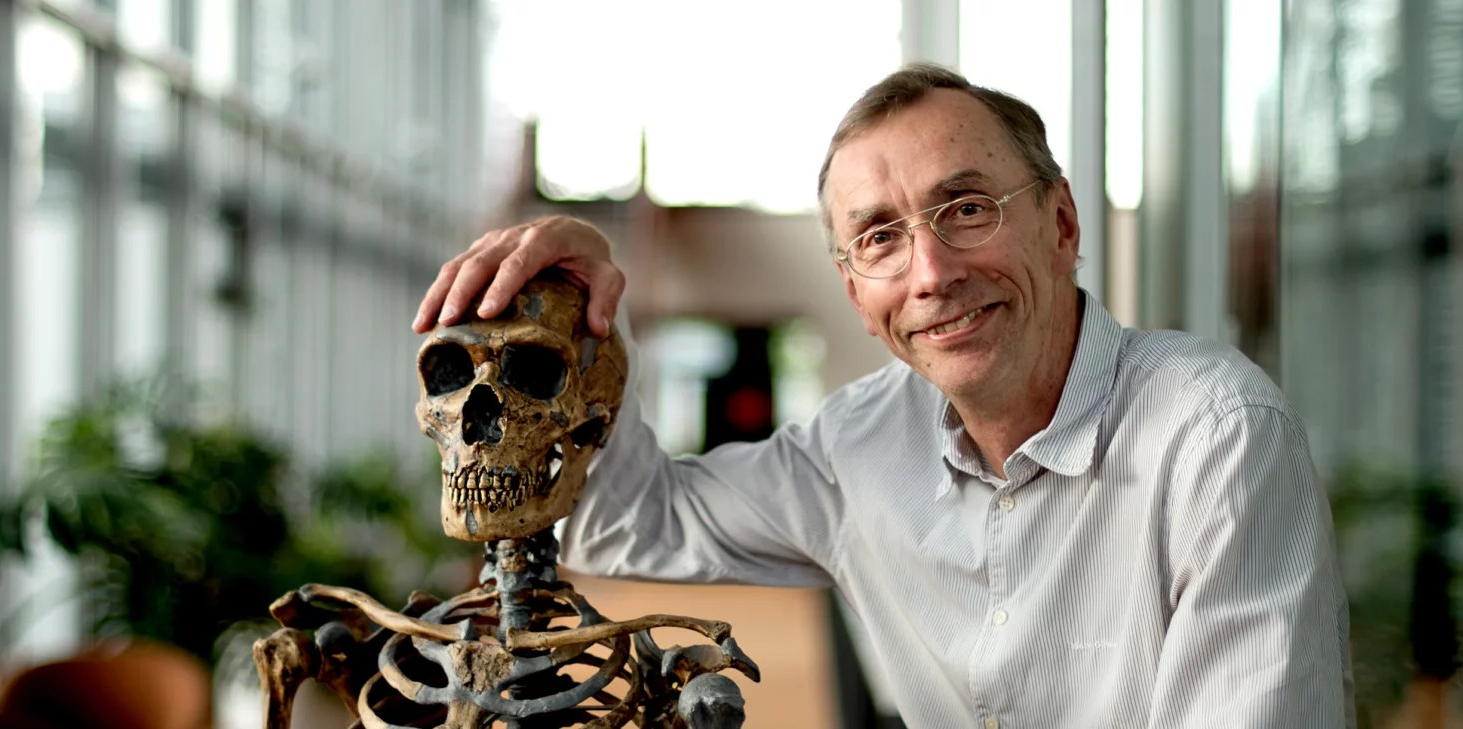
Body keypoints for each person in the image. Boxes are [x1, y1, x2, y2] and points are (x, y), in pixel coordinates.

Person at [412, 64, 1354, 727]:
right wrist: (586, 319)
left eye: (968, 209)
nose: (932, 271)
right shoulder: (856, 447)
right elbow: (629, 524)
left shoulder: (1218, 436)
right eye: (879, 239)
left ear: (1062, 222)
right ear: (857, 296)